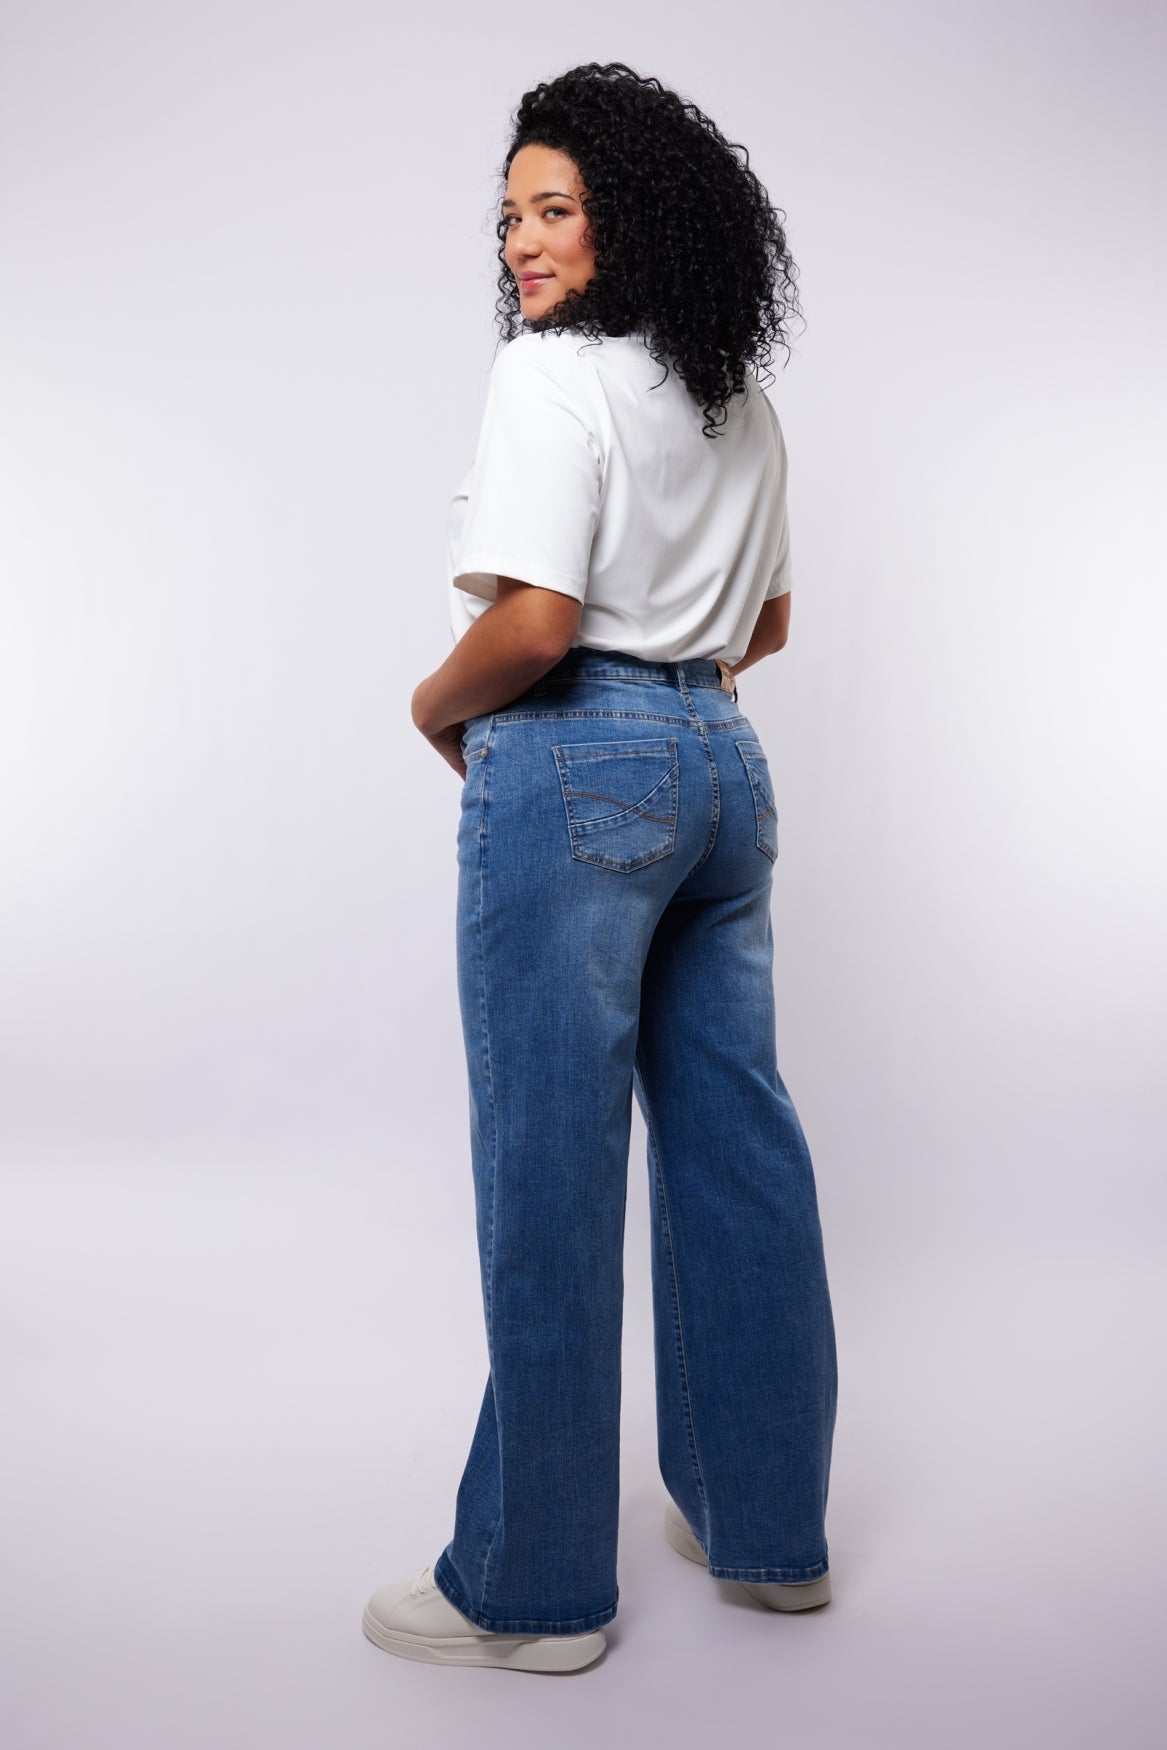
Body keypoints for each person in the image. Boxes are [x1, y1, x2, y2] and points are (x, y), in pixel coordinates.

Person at [362, 61, 838, 1674]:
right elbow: (770, 621)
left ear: (627, 221)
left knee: (550, 1165)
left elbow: (539, 621)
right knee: (739, 1141)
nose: (522, 243)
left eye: (554, 209)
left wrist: (433, 708)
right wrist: (676, 711)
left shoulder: (550, 376)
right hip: (721, 760)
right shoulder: (739, 400)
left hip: (575, 752)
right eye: (510, 216)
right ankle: (768, 1529)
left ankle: (535, 1589)